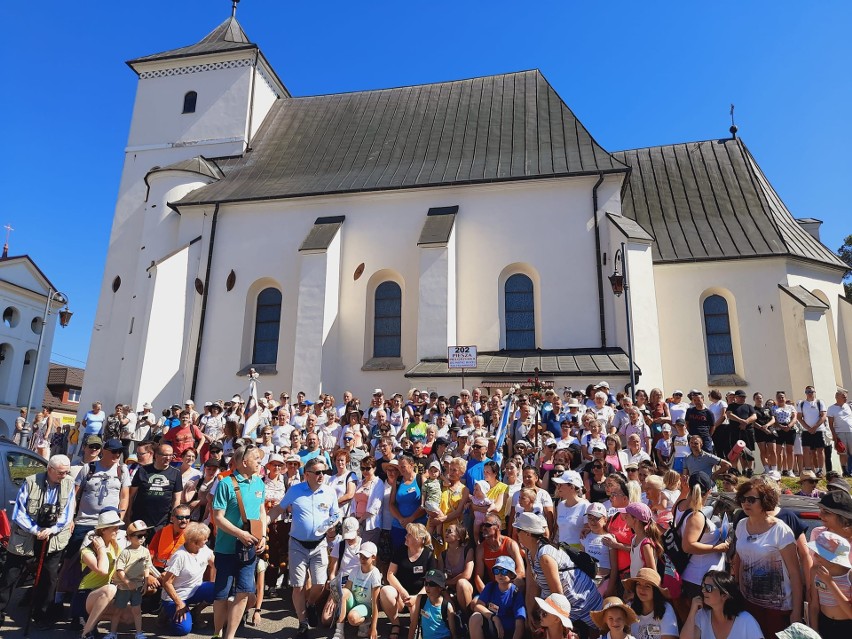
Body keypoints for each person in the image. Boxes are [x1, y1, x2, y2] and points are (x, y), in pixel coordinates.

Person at [0, 454, 75, 629]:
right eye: (61, 473)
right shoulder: (31, 482)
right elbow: (19, 511)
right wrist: (35, 530)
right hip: (26, 535)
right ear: (50, 469)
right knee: (11, 574)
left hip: (53, 536)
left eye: (66, 472)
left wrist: (52, 529)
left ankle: (41, 613)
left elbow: (68, 512)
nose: (64, 476)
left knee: (49, 577)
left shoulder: (69, 483)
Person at [278, 454, 340, 637]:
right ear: (307, 474)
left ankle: (311, 603)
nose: (322, 476)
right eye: (318, 472)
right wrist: (263, 526)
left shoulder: (329, 492)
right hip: (297, 544)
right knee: (297, 586)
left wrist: (331, 526)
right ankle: (302, 623)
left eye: (324, 472)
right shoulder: (295, 490)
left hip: (319, 544)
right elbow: (278, 509)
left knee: (320, 583)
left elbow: (335, 515)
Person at [515, 512, 602, 637]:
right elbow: (532, 586)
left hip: (582, 602)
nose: (516, 534)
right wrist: (530, 613)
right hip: (565, 603)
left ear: (528, 533)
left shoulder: (545, 556)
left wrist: (561, 624)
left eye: (518, 530)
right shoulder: (530, 552)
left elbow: (558, 594)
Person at [210, 445, 267, 639]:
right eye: (256, 459)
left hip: (249, 549)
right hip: (226, 548)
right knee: (221, 596)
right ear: (244, 462)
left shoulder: (260, 483)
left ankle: (230, 635)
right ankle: (217, 632)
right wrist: (240, 534)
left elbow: (262, 512)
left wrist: (264, 536)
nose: (260, 462)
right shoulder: (225, 484)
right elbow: (218, 517)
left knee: (243, 592)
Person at [733, 478, 803, 635]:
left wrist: (797, 612)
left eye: (751, 499)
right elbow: (740, 558)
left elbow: (794, 573)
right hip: (748, 602)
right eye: (743, 499)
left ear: (765, 501)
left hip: (777, 608)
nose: (746, 503)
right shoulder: (741, 525)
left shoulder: (781, 530)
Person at [380, 523, 435, 639]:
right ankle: (395, 624)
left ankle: (416, 628)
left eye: (409, 535)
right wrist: (403, 592)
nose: (406, 537)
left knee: (415, 611)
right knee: (385, 591)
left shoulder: (428, 554)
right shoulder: (401, 551)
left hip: (420, 597)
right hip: (401, 596)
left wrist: (417, 598)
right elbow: (390, 575)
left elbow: (431, 581)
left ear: (419, 539)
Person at [160, 522, 216, 636]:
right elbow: (166, 582)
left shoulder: (204, 549)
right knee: (183, 630)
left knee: (218, 589)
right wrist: (179, 603)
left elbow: (215, 563)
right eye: (204, 539)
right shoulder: (180, 556)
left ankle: (196, 611)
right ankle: (166, 613)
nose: (206, 541)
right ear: (195, 542)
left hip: (195, 590)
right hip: (176, 597)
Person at [77, 510, 125, 639]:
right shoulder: (87, 550)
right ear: (103, 530)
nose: (118, 531)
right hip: (86, 595)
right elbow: (103, 571)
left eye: (118, 528)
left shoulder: (115, 546)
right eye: (114, 528)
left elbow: (117, 571)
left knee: (129, 615)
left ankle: (92, 624)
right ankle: (86, 632)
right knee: (110, 589)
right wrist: (101, 549)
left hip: (104, 595)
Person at [681, 570, 764, 639]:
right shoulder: (702, 615)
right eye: (703, 586)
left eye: (708, 588)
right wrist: (692, 612)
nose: (703, 590)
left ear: (724, 595)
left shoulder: (746, 620)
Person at [109, 520, 153, 639]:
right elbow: (119, 570)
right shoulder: (125, 552)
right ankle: (112, 633)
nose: (142, 538)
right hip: (124, 586)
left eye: (145, 535)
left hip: (138, 586)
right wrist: (127, 582)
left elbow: (147, 567)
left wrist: (145, 582)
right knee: (118, 610)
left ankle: (139, 633)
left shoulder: (145, 551)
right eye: (139, 535)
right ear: (129, 537)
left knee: (137, 610)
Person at [127, 442, 183, 528]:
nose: (168, 458)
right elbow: (131, 495)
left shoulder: (176, 473)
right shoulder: (142, 471)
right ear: (156, 455)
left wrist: (173, 519)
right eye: (165, 455)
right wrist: (128, 515)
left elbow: (176, 499)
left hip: (162, 521)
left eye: (170, 455)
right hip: (140, 518)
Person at [333, 541, 382, 639]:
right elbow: (346, 590)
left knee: (352, 619)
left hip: (366, 606)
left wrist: (373, 627)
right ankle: (339, 631)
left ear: (373, 557)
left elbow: (375, 602)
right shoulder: (355, 570)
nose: (362, 559)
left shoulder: (375, 574)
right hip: (354, 602)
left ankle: (366, 622)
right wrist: (337, 596)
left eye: (365, 557)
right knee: (344, 592)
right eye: (360, 556)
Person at [469, 555, 526, 639]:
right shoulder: (490, 587)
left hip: (509, 633)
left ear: (512, 575)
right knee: (475, 617)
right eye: (497, 571)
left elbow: (520, 622)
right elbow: (478, 606)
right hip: (493, 628)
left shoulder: (515, 593)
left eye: (504, 571)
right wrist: (494, 618)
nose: (500, 575)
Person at [626, 568, 678, 639]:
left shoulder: (666, 608)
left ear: (655, 591)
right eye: (638, 584)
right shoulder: (629, 608)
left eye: (647, 586)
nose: (641, 589)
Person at [408, 568, 457, 639]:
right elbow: (413, 624)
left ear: (440, 587)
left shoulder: (447, 606)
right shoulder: (421, 599)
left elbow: (453, 633)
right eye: (426, 583)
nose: (427, 587)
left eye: (431, 584)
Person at [798, 385, 828, 478]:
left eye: (811, 391)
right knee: (806, 450)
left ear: (814, 392)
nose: (810, 393)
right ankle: (808, 469)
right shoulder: (802, 404)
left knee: (820, 450)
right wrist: (807, 427)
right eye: (807, 392)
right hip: (806, 431)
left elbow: (823, 416)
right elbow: (799, 417)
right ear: (805, 393)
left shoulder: (819, 402)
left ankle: (819, 470)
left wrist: (814, 427)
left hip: (818, 430)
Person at [149, 505, 191, 570]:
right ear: (172, 518)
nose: (184, 520)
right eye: (180, 517)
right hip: (159, 570)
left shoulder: (192, 536)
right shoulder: (161, 532)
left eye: (187, 517)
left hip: (180, 572)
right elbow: (150, 554)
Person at [828, 389, 852, 478]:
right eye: (843, 397)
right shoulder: (831, 408)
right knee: (843, 452)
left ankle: (851, 470)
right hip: (840, 432)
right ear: (837, 397)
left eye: (846, 397)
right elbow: (831, 423)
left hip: (850, 431)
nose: (845, 398)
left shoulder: (849, 406)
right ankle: (845, 471)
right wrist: (834, 435)